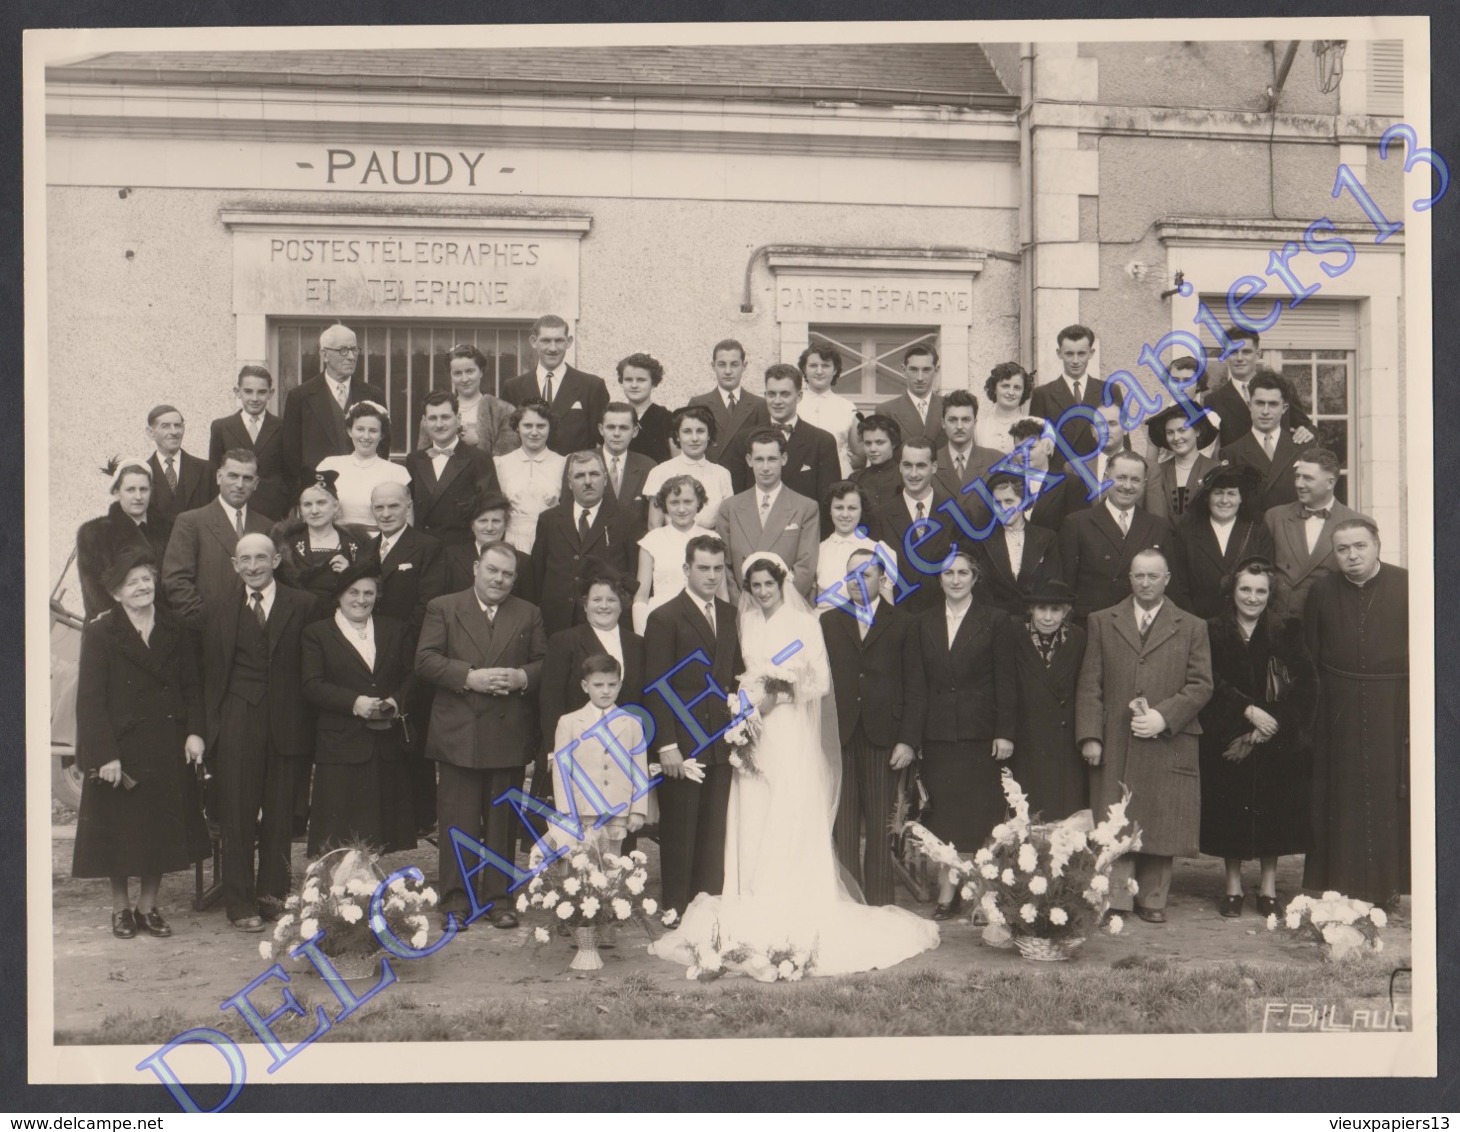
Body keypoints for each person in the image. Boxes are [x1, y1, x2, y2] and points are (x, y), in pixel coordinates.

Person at [650, 551, 939, 974]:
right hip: (751, 729)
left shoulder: (805, 623)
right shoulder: (743, 622)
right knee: (751, 806)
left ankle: (790, 893)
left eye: (770, 584)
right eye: (756, 586)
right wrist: (745, 705)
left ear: (783, 582)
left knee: (788, 806)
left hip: (788, 728)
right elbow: (734, 673)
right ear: (748, 589)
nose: (763, 592)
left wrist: (779, 693)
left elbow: (819, 680)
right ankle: (747, 892)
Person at [71, 550, 210, 939]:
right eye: (132, 582)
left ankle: (148, 907)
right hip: (121, 750)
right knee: (118, 832)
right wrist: (105, 755)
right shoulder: (100, 632)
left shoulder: (175, 627)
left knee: (159, 831)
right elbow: (91, 699)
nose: (142, 587)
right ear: (116, 593)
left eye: (146, 579)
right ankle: (120, 910)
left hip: (166, 744)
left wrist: (195, 732)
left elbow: (192, 686)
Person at [1076, 547, 1214, 924]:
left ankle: (1153, 898)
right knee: (1115, 819)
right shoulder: (1103, 621)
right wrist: (1090, 734)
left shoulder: (1191, 625)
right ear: (1130, 578)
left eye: (1154, 575)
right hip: (1116, 738)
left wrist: (1163, 717)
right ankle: (1116, 897)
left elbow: (1201, 685)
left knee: (1161, 815)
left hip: (1167, 737)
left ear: (1167, 579)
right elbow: (1091, 683)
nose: (1146, 582)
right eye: (1139, 575)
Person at [416, 542, 548, 930]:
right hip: (459, 730)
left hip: (507, 733)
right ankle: (455, 902)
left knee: (501, 821)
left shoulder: (528, 613)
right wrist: (467, 676)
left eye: (507, 574)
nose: (499, 580)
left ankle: (499, 898)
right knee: (458, 821)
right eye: (492, 570)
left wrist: (524, 677)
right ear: (476, 567)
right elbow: (424, 660)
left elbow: (545, 662)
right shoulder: (444, 607)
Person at [199, 533, 314, 931]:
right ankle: (240, 903)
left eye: (261, 558)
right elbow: (209, 673)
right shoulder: (217, 608)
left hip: (287, 722)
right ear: (234, 565)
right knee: (237, 815)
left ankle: (272, 898)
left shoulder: (303, 604)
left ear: (277, 560)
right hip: (236, 719)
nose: (253, 566)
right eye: (244, 559)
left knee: (280, 814)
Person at [1197, 557, 1317, 918]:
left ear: (1270, 594)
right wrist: (1247, 713)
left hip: (1275, 740)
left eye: (1260, 590)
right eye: (1245, 589)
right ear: (1232, 591)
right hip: (1228, 734)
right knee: (1230, 810)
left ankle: (1267, 887)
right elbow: (1208, 681)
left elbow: (1306, 682)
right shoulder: (1211, 630)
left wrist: (1274, 724)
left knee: (1273, 813)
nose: (1252, 597)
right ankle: (1232, 886)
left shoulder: (1287, 630)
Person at [1302, 518, 1409, 908]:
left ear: (1377, 545)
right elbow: (1309, 656)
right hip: (1338, 701)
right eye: (1343, 549)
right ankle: (1341, 886)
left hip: (1392, 701)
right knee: (1341, 791)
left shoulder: (1407, 585)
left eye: (1360, 546)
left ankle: (1388, 889)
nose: (1352, 556)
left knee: (1387, 790)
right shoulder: (1322, 590)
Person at [908, 550, 1018, 918]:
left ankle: (983, 894)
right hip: (938, 733)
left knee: (982, 817)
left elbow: (1006, 679)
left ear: (975, 578)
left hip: (979, 732)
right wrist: (916, 736)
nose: (955, 579)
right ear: (939, 579)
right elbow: (918, 685)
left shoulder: (996, 620)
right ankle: (947, 890)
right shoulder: (922, 622)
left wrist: (1004, 732)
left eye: (963, 573)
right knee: (945, 819)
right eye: (948, 573)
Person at [642, 535, 740, 916]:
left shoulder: (729, 616)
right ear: (686, 569)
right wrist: (666, 745)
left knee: (713, 831)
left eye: (718, 568)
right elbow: (655, 686)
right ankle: (676, 908)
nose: (712, 576)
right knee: (681, 830)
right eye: (703, 568)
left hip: (720, 741)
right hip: (682, 743)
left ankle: (707, 908)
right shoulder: (664, 617)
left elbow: (732, 674)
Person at [821, 548, 921, 905]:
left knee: (880, 826)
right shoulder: (828, 623)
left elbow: (916, 684)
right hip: (841, 735)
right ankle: (849, 903)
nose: (855, 582)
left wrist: (907, 740)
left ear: (882, 580)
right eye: (850, 575)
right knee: (844, 826)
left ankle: (880, 906)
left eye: (864, 574)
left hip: (885, 736)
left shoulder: (904, 623)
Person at [301, 560, 418, 858]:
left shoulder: (394, 629)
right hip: (340, 743)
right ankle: (341, 894)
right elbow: (312, 684)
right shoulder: (317, 633)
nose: (361, 600)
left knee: (377, 827)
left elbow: (412, 675)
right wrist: (354, 703)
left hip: (383, 744)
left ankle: (370, 889)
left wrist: (395, 700)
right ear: (339, 595)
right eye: (353, 592)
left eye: (369, 593)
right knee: (339, 827)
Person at [368, 481, 449, 835]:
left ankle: (420, 817)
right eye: (380, 508)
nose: (386, 514)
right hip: (373, 653)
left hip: (412, 653)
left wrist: (399, 644)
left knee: (412, 733)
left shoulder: (427, 547)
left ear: (408, 507)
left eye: (393, 507)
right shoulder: (367, 549)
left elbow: (428, 603)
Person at [538, 569, 647, 812]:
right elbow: (551, 698)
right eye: (597, 600)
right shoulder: (564, 640)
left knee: (617, 832)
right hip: (578, 749)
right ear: (585, 605)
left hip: (620, 753)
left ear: (623, 605)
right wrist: (552, 751)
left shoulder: (637, 644)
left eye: (611, 600)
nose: (604, 606)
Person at [549, 654, 648, 859]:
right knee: (582, 864)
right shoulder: (569, 722)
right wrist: (566, 810)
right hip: (583, 808)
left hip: (617, 809)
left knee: (612, 862)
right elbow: (561, 772)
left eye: (612, 684)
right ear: (585, 686)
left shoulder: (632, 723)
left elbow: (639, 768)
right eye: (598, 685)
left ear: (620, 685)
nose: (605, 691)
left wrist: (638, 809)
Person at [532, 450, 640, 638]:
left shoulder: (627, 520)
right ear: (569, 482)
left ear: (605, 479)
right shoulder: (549, 520)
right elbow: (536, 576)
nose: (588, 481)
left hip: (606, 621)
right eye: (580, 475)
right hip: (557, 622)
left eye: (594, 474)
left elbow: (633, 575)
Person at [1058, 450, 1175, 623]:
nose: (1127, 486)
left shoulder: (1158, 527)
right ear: (1105, 479)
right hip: (1091, 624)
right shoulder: (1077, 523)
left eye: (1135, 480)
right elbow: (1066, 586)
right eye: (1121, 478)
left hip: (1141, 625)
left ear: (1144, 485)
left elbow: (1171, 588)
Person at [162, 450, 275, 626]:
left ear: (256, 483)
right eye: (232, 476)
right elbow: (176, 580)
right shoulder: (191, 521)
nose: (239, 484)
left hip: (256, 627)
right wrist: (206, 619)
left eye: (247, 478)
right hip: (208, 629)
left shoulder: (266, 526)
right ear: (218, 477)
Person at [1008, 580, 1088, 820]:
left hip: (1062, 741)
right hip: (1025, 737)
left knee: (1061, 813)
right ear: (1031, 609)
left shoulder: (1077, 637)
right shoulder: (1014, 632)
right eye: (1042, 609)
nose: (1048, 617)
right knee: (1024, 809)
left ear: (1066, 612)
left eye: (1056, 610)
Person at [280, 323, 387, 496]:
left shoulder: (373, 394)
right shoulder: (300, 396)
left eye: (354, 349)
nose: (351, 356)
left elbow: (383, 446)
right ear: (325, 355)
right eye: (343, 350)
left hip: (363, 491)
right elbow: (291, 455)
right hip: (318, 493)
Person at [715, 429, 820, 601]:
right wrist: (741, 603)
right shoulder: (730, 508)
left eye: (772, 459)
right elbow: (723, 564)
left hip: (787, 606)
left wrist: (779, 603)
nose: (765, 467)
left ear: (784, 459)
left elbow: (805, 565)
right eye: (759, 459)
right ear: (749, 460)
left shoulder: (805, 508)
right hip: (742, 607)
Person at [724, 364, 841, 513]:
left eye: (785, 394)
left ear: (799, 396)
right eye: (772, 394)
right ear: (765, 395)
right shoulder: (743, 440)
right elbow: (737, 496)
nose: (777, 401)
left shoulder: (822, 441)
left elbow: (828, 503)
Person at [1263, 448, 1366, 617]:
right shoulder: (1275, 517)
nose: (1299, 484)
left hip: (1330, 622)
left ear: (1330, 483)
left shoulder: (1359, 524)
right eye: (1297, 476)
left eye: (1308, 478)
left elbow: (1362, 582)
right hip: (1280, 626)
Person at [1167, 462, 1276, 620]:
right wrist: (1194, 623)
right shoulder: (1188, 533)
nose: (1224, 500)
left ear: (1241, 499)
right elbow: (1179, 585)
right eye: (1218, 493)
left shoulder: (1257, 531)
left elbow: (1267, 579)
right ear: (1207, 497)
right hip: (1200, 622)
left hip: (1245, 622)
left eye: (1231, 494)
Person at [868, 436, 954, 617]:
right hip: (897, 617)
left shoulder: (953, 513)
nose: (913, 474)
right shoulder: (880, 516)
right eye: (907, 465)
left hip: (940, 618)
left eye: (921, 466)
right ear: (899, 466)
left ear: (934, 467)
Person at [76, 459, 172, 620]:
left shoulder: (170, 530)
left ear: (151, 491)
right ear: (116, 492)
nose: (138, 496)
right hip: (115, 630)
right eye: (130, 490)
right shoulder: (94, 533)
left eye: (143, 489)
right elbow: (95, 595)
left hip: (165, 627)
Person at [501, 314, 609, 456]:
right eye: (546, 341)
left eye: (559, 341)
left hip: (573, 473)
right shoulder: (513, 387)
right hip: (528, 473)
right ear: (534, 341)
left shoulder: (592, 386)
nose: (553, 348)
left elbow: (604, 440)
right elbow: (507, 440)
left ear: (569, 342)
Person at [406, 390, 503, 548]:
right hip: (423, 551)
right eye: (432, 418)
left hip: (463, 551)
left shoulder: (479, 459)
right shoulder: (414, 460)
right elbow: (408, 509)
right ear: (424, 421)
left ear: (458, 419)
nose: (439, 424)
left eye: (445, 417)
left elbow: (491, 509)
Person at [271, 471, 370, 621]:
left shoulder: (354, 542)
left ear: (335, 506)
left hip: (342, 618)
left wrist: (351, 574)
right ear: (300, 510)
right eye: (307, 504)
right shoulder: (287, 542)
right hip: (298, 617)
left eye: (321, 503)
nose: (314, 510)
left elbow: (370, 585)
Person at [633, 474, 720, 633]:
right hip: (662, 623)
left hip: (703, 622)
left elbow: (721, 593)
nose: (681, 509)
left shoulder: (712, 538)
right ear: (665, 505)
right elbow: (641, 597)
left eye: (687, 502)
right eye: (674, 502)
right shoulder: (652, 540)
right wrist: (642, 635)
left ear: (699, 502)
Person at [1203, 328, 1316, 448]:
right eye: (1233, 352)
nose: (1240, 358)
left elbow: (1308, 427)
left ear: (1258, 354)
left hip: (1280, 464)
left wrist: (1307, 432)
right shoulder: (1213, 400)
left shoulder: (1283, 388)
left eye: (1246, 352)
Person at [1220, 370, 1313, 512]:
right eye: (1259, 403)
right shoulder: (1231, 453)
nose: (1265, 411)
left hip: (1293, 530)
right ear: (1249, 405)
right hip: (1252, 532)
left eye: (1273, 404)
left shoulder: (1303, 447)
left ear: (1284, 408)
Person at [315, 401, 411, 537]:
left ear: (382, 435)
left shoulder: (397, 472)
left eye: (373, 431)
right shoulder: (329, 465)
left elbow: (407, 522)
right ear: (350, 431)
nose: (366, 436)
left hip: (378, 546)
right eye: (360, 429)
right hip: (333, 541)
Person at [972, 473, 1061, 616]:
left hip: (1036, 621)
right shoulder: (983, 541)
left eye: (1009, 501)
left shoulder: (1047, 538)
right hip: (997, 623)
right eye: (997, 502)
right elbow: (982, 591)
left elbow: (1051, 584)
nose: (1003, 508)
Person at [209, 365, 288, 522]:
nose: (255, 398)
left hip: (272, 512)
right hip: (233, 509)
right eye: (248, 391)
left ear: (270, 393)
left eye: (261, 392)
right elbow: (214, 470)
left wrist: (283, 505)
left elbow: (290, 473)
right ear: (237, 392)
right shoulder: (221, 426)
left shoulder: (283, 426)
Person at [414, 343, 517, 457]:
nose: (464, 379)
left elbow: (508, 460)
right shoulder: (437, 410)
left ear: (481, 372)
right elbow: (423, 458)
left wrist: (479, 441)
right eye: (457, 373)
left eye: (470, 371)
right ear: (451, 376)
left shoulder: (502, 411)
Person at [642, 405, 734, 530]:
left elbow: (726, 525)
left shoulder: (721, 474)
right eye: (687, 432)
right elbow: (654, 526)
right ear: (677, 436)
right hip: (671, 546)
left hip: (709, 546)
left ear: (709, 435)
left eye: (700, 431)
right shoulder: (660, 472)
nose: (694, 438)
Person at [493, 398, 566, 554]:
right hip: (512, 542)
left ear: (549, 428)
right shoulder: (501, 464)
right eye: (527, 426)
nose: (534, 432)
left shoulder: (562, 463)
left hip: (551, 542)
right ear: (517, 427)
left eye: (541, 426)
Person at [685, 339, 771, 470]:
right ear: (713, 366)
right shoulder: (698, 403)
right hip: (708, 479)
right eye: (722, 364)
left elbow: (764, 450)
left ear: (744, 366)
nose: (728, 371)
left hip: (744, 481)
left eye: (734, 364)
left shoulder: (759, 405)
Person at [572, 400, 654, 530]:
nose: (616, 433)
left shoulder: (648, 466)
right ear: (601, 429)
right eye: (611, 427)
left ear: (635, 431)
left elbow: (650, 519)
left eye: (623, 428)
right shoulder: (577, 461)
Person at [1028, 325, 1107, 456]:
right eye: (1069, 354)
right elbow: (1036, 445)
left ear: (1091, 353)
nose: (1075, 361)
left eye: (1081, 353)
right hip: (1059, 472)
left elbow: (1121, 443)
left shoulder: (1108, 391)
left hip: (1096, 472)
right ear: (1059, 353)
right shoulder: (1042, 394)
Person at [816, 481, 897, 608]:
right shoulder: (818, 550)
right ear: (830, 511)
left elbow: (887, 607)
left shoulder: (879, 550)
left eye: (852, 508)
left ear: (861, 510)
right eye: (839, 508)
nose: (845, 514)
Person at [933, 389, 1002, 527]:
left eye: (966, 419)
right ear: (943, 423)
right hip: (940, 545)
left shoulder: (996, 460)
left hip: (983, 543)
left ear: (975, 422)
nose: (959, 426)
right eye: (952, 420)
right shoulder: (929, 461)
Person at [442, 491, 531, 597]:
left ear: (505, 525)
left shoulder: (523, 561)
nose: (489, 528)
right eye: (483, 521)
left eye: (496, 521)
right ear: (472, 525)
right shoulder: (450, 556)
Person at [1143, 403, 1220, 525]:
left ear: (1197, 431)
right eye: (1170, 432)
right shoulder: (1158, 471)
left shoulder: (1216, 470)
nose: (1176, 437)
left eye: (1182, 430)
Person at [797, 343, 865, 477]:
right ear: (804, 369)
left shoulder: (848, 407)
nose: (819, 371)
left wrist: (840, 462)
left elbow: (860, 457)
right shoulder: (794, 404)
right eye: (813, 366)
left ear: (835, 370)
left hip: (837, 477)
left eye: (826, 365)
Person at [144, 404, 217, 525]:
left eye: (177, 425)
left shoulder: (207, 470)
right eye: (165, 426)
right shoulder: (141, 472)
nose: (174, 432)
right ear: (151, 432)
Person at [1059, 402, 1135, 515]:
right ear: (1092, 431)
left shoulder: (1148, 469)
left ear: (1126, 428)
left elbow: (1155, 523)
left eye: (1112, 423)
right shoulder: (1074, 468)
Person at [1004, 417, 1073, 533]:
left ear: (1047, 449)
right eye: (1019, 449)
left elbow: (1075, 532)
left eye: (1031, 447)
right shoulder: (1007, 483)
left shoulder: (1069, 484)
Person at [881, 343, 946, 455]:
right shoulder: (886, 411)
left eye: (926, 370)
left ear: (936, 371)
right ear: (903, 370)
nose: (920, 378)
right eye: (914, 370)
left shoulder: (948, 406)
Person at [616, 352, 673, 465]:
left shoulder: (667, 418)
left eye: (641, 380)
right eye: (628, 379)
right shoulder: (614, 416)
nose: (634, 385)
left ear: (653, 383)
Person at [978, 361, 1038, 454]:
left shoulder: (1033, 427)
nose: (1011, 392)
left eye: (1017, 387)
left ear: (1024, 392)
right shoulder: (979, 427)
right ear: (994, 389)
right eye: (1005, 386)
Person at [849, 413, 902, 517]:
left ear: (894, 443)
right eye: (868, 443)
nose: (872, 449)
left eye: (880, 443)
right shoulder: (855, 479)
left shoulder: (904, 476)